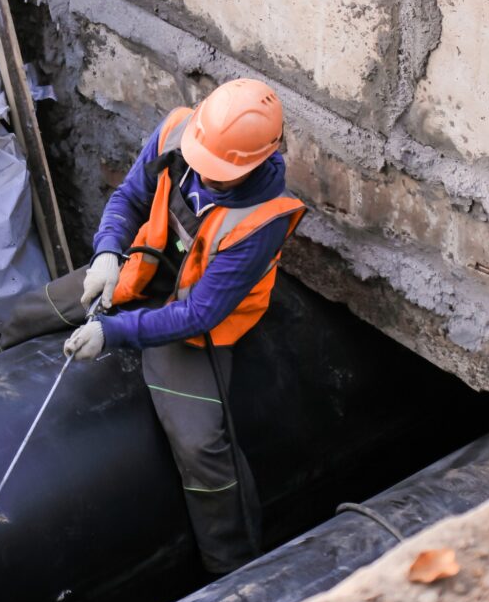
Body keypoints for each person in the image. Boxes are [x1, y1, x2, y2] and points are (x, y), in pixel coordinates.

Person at [64, 78, 307, 573]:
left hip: (193, 320)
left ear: (253, 163)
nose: (198, 172)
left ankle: (233, 568)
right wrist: (108, 251)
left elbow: (199, 313)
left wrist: (114, 332)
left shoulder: (260, 221)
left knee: (201, 446)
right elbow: (130, 197)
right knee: (30, 310)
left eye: (216, 173)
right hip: (141, 269)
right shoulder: (179, 132)